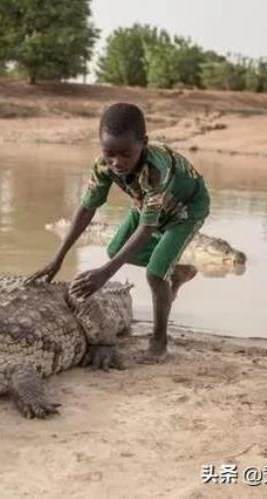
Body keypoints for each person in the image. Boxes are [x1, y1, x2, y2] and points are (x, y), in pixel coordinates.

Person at [27, 102, 210, 364]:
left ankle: (159, 341)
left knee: (155, 274)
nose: (117, 162)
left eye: (125, 154)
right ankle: (177, 271)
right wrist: (58, 257)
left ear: (143, 143)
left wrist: (106, 272)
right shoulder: (103, 165)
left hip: (186, 209)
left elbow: (148, 228)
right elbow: (87, 208)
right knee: (114, 249)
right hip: (144, 202)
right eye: (109, 153)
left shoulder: (155, 170)